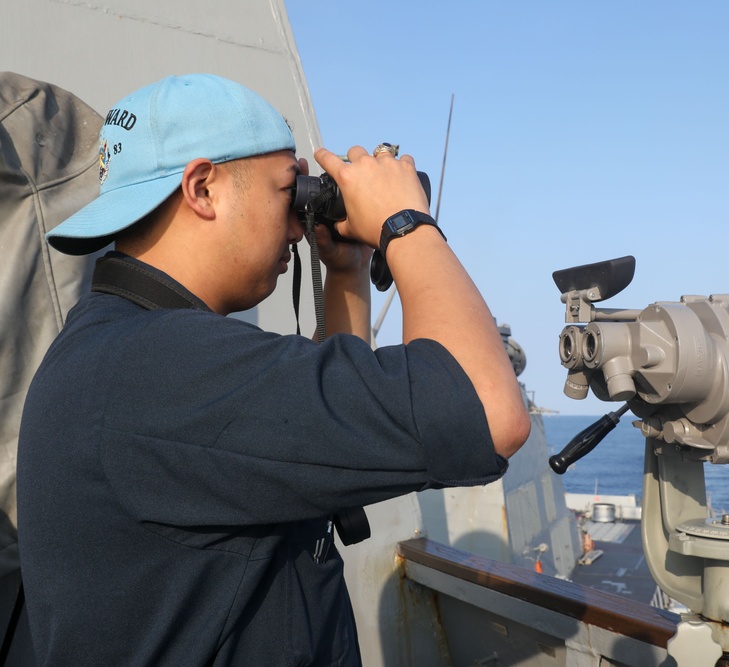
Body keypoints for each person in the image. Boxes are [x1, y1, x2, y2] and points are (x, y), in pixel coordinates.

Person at [16, 73, 530, 666]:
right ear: (203, 189)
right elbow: (487, 408)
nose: (298, 224)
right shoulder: (165, 369)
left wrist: (347, 271)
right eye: (290, 191)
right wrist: (404, 221)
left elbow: (329, 430)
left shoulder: (116, 348)